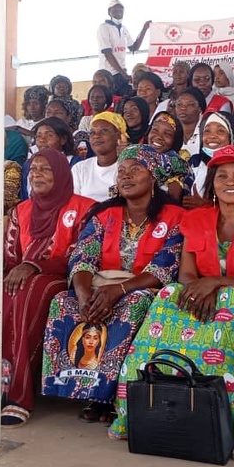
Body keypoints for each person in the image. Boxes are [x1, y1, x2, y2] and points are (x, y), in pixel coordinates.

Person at [110, 145, 234, 461]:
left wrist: (215, 284)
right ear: (212, 183)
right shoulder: (196, 219)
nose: (229, 182)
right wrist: (202, 288)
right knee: (167, 295)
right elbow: (187, 274)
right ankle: (137, 412)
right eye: (221, 176)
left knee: (232, 301)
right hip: (200, 292)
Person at [0, 148, 96, 424]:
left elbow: (81, 255)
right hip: (24, 273)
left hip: (64, 276)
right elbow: (11, 256)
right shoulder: (21, 209)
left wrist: (34, 265)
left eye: (46, 169)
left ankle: (17, 394)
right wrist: (1, 269)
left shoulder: (85, 208)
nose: (37, 174)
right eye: (34, 169)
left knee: (31, 292)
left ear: (61, 174)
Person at [42, 144, 185, 423]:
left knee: (133, 303)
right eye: (121, 171)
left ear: (153, 177)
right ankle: (83, 388)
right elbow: (83, 256)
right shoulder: (104, 215)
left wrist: (118, 290)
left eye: (136, 169)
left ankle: (111, 394)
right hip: (102, 283)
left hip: (142, 287)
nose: (126, 176)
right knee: (62, 301)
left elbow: (165, 266)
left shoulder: (176, 217)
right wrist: (83, 295)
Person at [187, 112, 234, 209]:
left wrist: (206, 206)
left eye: (220, 131)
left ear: (232, 136)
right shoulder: (194, 162)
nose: (212, 136)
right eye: (207, 131)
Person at [72, 111, 125, 202]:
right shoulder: (80, 169)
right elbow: (76, 203)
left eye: (104, 131)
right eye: (92, 132)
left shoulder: (126, 168)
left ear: (118, 135)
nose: (96, 136)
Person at [97, 0, 151, 86]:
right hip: (109, 74)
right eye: (115, 10)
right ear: (109, 12)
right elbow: (108, 54)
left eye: (121, 10)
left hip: (121, 72)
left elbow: (134, 47)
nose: (119, 12)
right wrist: (123, 74)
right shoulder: (104, 27)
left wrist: (144, 29)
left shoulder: (124, 28)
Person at [145, 111, 191, 200]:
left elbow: (174, 199)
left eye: (167, 134)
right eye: (155, 130)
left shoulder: (178, 165)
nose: (159, 137)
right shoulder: (137, 156)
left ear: (175, 140)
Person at [176, 88, 205, 156]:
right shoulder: (172, 130)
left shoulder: (206, 131)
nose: (183, 108)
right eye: (179, 104)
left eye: (190, 104)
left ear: (200, 108)